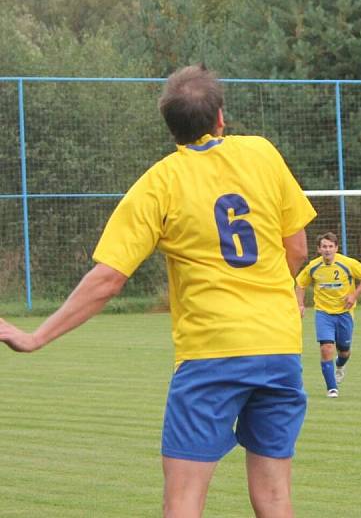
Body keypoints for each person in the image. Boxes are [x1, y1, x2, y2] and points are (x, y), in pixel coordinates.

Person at [0, 64, 317, 518]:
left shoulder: (159, 184)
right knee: (274, 498)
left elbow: (108, 279)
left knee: (183, 501)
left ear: (170, 128)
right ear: (221, 117)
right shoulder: (263, 153)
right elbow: (297, 247)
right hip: (279, 349)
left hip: (212, 354)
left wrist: (35, 337)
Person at [295, 232, 361, 398]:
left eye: (331, 246)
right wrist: (300, 304)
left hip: (344, 313)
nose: (327, 250)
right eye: (324, 246)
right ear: (319, 249)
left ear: (336, 248)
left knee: (344, 351)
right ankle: (332, 388)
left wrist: (354, 295)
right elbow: (300, 283)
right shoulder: (313, 267)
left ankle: (340, 365)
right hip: (323, 313)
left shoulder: (347, 263)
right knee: (326, 348)